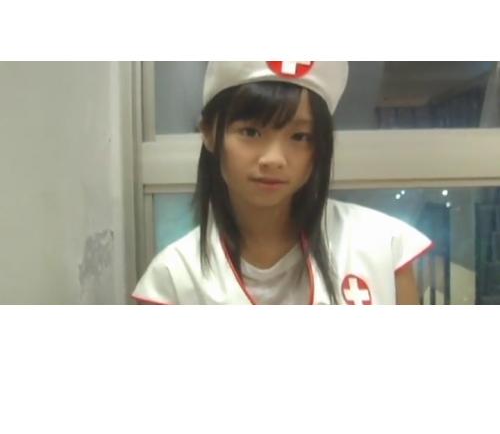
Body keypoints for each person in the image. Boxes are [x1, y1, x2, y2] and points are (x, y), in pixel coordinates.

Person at [132, 61, 434, 305]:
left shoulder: (381, 247)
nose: (274, 159)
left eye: (300, 136)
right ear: (210, 134)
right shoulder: (173, 279)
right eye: (251, 132)